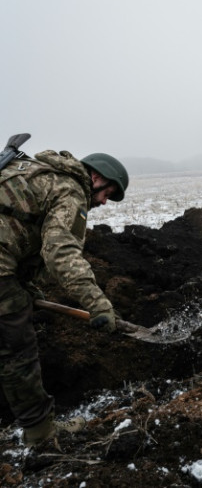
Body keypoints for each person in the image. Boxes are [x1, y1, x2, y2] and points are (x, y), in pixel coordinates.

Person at [0, 148, 129, 448]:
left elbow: (15, 226)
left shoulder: (37, 173)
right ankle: (42, 437)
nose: (103, 201)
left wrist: (25, 285)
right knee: (17, 352)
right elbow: (60, 253)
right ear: (94, 177)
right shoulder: (71, 192)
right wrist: (98, 304)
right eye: (106, 192)